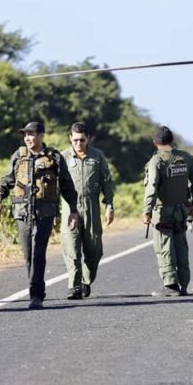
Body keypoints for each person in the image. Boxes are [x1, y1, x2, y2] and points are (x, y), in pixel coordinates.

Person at [0, 121, 79, 310]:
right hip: (22, 212)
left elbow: (66, 185)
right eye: (25, 135)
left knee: (38, 253)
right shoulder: (19, 156)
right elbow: (8, 180)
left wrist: (73, 210)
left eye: (31, 134)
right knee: (28, 255)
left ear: (41, 136)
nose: (27, 138)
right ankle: (35, 288)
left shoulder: (54, 156)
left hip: (45, 212)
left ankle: (36, 295)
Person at [142, 126, 193, 296]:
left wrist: (146, 211)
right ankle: (183, 284)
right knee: (181, 246)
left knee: (164, 248)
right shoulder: (186, 158)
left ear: (155, 143)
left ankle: (170, 285)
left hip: (163, 213)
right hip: (181, 211)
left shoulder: (156, 161)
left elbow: (151, 187)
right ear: (172, 141)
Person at [60, 122, 114, 300]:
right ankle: (73, 286)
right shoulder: (63, 157)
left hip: (91, 205)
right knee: (72, 248)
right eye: (75, 140)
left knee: (94, 250)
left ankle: (86, 280)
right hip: (69, 207)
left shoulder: (97, 157)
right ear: (70, 138)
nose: (78, 144)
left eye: (82, 140)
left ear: (88, 139)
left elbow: (107, 182)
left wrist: (109, 205)